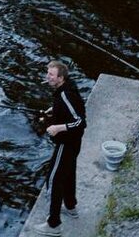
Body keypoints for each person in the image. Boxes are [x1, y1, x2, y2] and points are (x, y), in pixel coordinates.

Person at [36, 59, 86, 235]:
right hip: (74, 142)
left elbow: (80, 122)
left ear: (61, 78)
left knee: (54, 180)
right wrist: (54, 109)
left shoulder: (65, 95)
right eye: (47, 73)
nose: (47, 77)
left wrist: (58, 128)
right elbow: (72, 107)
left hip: (66, 143)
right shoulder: (66, 89)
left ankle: (53, 225)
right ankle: (71, 207)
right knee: (69, 173)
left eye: (51, 74)